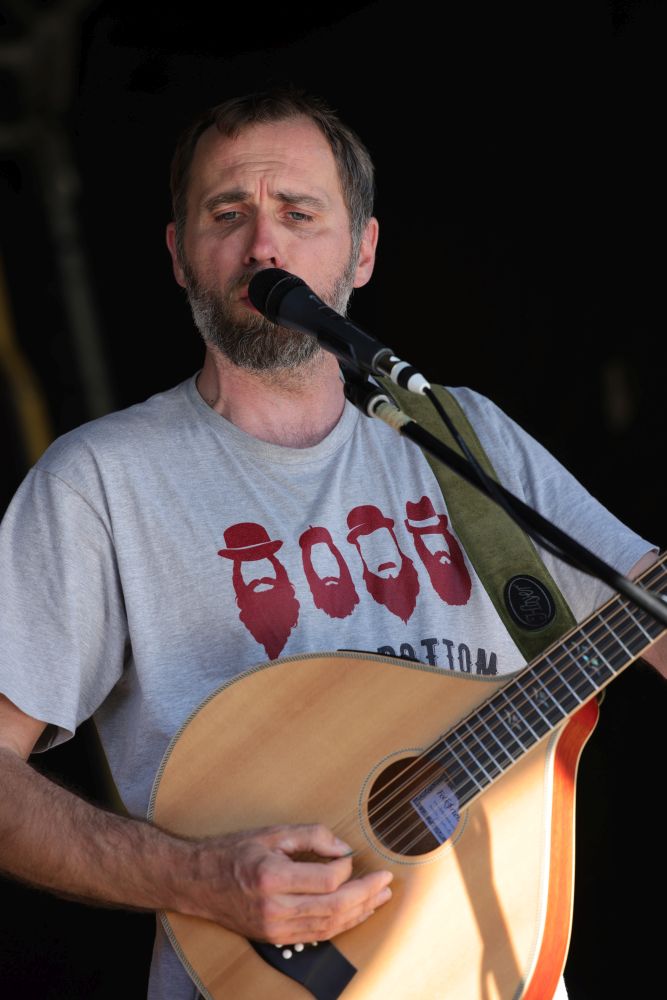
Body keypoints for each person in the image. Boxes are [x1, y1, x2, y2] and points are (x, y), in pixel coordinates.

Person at [0, 87, 664, 1000]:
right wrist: (194, 878)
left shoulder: (464, 437)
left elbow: (648, 615)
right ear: (178, 255)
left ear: (364, 249)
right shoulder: (99, 483)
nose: (262, 246)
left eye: (298, 213)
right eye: (226, 214)